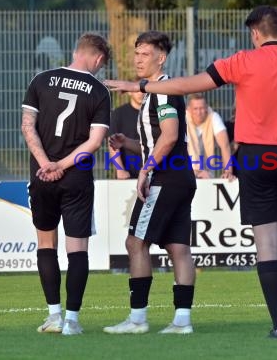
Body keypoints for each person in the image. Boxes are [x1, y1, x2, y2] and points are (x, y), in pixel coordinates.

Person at [104, 6, 277, 339]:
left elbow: (187, 85)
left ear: (255, 34)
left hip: (255, 159)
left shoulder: (241, 61)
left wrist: (140, 86)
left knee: (266, 246)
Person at [103, 30, 197, 335]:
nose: (138, 59)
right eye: (136, 53)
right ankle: (182, 322)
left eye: (145, 53)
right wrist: (128, 143)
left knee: (135, 242)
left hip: (166, 179)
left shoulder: (164, 90)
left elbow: (169, 137)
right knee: (178, 248)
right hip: (180, 177)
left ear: (161, 57)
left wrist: (144, 170)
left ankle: (138, 319)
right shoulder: (155, 93)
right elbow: (160, 138)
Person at [21, 33, 111, 335]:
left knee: (46, 244)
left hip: (41, 176)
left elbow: (27, 125)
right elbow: (95, 140)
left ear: (76, 52)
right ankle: (72, 320)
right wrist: (61, 165)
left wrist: (46, 163)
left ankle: (54, 315)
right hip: (76, 179)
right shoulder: (99, 90)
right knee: (77, 249)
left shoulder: (41, 79)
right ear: (98, 59)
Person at [186, 93, 234, 179]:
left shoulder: (213, 117)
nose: (199, 112)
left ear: (207, 108)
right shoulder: (183, 119)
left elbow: (225, 146)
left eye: (202, 108)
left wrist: (228, 172)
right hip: (185, 169)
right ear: (189, 109)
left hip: (207, 171)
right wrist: (196, 172)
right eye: (195, 109)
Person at [108, 86, 144, 179]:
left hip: (153, 172)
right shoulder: (118, 114)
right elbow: (112, 143)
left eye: (143, 90)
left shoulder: (153, 114)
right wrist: (120, 170)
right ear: (129, 92)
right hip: (128, 174)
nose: (140, 93)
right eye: (136, 91)